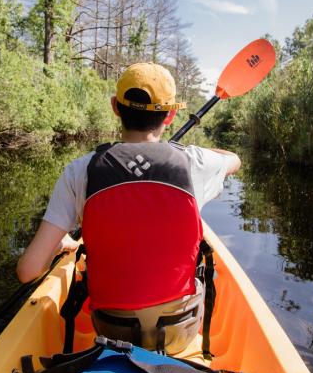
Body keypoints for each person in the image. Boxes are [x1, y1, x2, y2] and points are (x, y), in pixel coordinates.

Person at [16, 62, 240, 355]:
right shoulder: (195, 163)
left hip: (110, 329)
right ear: (171, 115)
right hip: (178, 330)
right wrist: (199, 153)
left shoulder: (79, 171)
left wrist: (64, 243)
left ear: (115, 107)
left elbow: (27, 271)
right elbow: (234, 160)